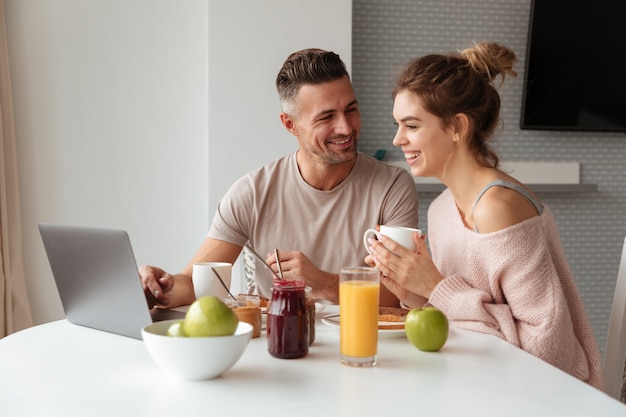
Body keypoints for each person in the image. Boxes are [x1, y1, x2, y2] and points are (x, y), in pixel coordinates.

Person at [365, 42, 603, 389]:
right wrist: (415, 292)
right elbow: (469, 320)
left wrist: (436, 287)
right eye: (398, 125)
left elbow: (551, 354)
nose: (397, 138)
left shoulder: (498, 208)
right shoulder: (442, 209)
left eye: (411, 126)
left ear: (457, 127)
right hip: (482, 384)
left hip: (548, 396)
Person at [140, 48, 419, 308]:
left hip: (357, 350)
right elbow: (192, 283)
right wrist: (159, 288)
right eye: (326, 118)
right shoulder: (252, 192)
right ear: (290, 124)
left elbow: (398, 295)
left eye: (351, 109)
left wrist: (324, 283)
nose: (345, 127)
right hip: (276, 348)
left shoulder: (392, 186)